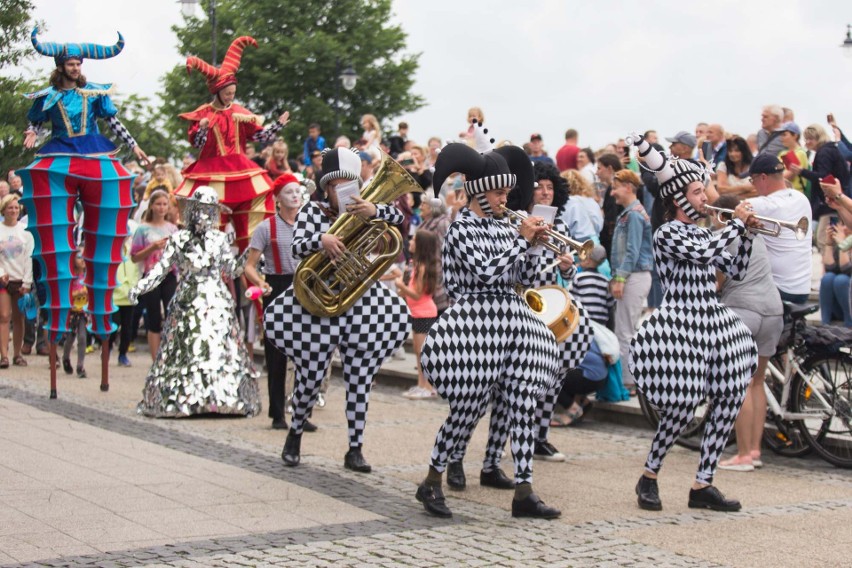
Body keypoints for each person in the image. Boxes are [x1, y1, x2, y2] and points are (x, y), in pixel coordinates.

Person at [414, 142, 561, 520]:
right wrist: (522, 241)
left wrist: (539, 251)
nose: (506, 198)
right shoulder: (461, 229)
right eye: (499, 192)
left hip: (512, 319)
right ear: (480, 191)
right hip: (474, 323)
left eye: (507, 192)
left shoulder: (505, 225)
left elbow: (522, 279)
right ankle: (432, 478)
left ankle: (525, 489)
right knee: (466, 408)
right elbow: (487, 272)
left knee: (523, 406)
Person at [626, 132, 758, 513]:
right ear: (681, 197)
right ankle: (649, 475)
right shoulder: (668, 233)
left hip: (712, 318)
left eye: (704, 191)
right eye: (699, 192)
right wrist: (736, 226)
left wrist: (745, 234)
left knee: (730, 396)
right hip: (681, 323)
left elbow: (735, 267)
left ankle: (704, 482)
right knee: (682, 408)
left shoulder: (703, 230)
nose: (705, 198)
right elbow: (706, 250)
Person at [17, 26, 147, 391]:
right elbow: (35, 122)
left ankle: (103, 326)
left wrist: (134, 147)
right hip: (59, 158)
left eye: (78, 63)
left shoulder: (94, 94)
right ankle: (54, 325)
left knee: (103, 241)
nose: (75, 67)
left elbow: (115, 123)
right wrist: (31, 132)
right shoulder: (48, 96)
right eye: (70, 63)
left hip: (93, 156)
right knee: (56, 245)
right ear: (61, 66)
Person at [267, 148, 410, 473]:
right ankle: (295, 435)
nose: (344, 189)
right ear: (327, 187)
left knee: (361, 377)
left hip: (359, 302)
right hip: (320, 303)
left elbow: (401, 220)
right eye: (337, 184)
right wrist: (322, 239)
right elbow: (296, 246)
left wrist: (375, 209)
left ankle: (355, 448)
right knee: (311, 374)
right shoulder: (311, 210)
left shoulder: (367, 209)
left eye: (350, 182)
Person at [130, 186, 261, 417]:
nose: (203, 215)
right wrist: (140, 287)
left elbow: (231, 270)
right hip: (187, 301)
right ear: (191, 210)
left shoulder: (219, 239)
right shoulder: (179, 238)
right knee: (186, 347)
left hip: (216, 302)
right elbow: (161, 269)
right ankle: (182, 398)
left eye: (209, 210)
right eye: (199, 209)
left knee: (217, 348)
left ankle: (221, 397)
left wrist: (248, 254)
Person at [176, 36, 288, 253]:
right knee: (209, 235)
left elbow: (260, 137)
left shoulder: (239, 113)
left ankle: (252, 276)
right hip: (211, 175)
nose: (230, 96)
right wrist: (203, 128)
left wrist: (277, 126)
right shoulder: (205, 114)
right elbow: (196, 143)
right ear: (216, 91)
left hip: (240, 174)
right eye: (227, 92)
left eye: (233, 92)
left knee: (251, 234)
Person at [709, 195, 784, 472]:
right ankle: (754, 450)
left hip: (743, 309)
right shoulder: (757, 235)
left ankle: (741, 454)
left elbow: (719, 282)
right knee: (758, 382)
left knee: (738, 384)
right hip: (772, 309)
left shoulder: (723, 236)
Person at [244, 173, 314, 430]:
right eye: (289, 192)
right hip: (277, 286)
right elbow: (249, 266)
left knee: (307, 355)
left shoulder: (309, 225)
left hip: (305, 287)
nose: (295, 195)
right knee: (277, 355)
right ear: (277, 199)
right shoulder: (265, 228)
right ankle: (277, 413)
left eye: (297, 191)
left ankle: (301, 412)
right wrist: (260, 282)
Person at [746, 154, 813, 304]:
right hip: (802, 289)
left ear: (763, 177)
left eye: (753, 180)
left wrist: (707, 177)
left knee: (732, 290)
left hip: (778, 290)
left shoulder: (764, 205)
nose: (753, 186)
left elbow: (720, 204)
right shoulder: (800, 198)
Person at [610, 170, 653, 396]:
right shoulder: (632, 212)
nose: (612, 192)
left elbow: (632, 251)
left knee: (624, 331)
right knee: (625, 329)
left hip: (633, 276)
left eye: (615, 187)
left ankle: (628, 382)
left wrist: (619, 278)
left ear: (628, 186)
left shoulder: (634, 215)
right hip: (634, 276)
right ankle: (627, 380)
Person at [130, 190, 179, 362]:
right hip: (151, 275)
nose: (161, 208)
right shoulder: (142, 229)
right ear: (151, 206)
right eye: (158, 204)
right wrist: (152, 247)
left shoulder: (172, 228)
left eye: (165, 204)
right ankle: (155, 360)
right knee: (153, 317)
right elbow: (134, 257)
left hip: (169, 275)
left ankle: (170, 356)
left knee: (171, 314)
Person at [790, 124, 852, 247]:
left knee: (825, 241)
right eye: (806, 139)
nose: (807, 142)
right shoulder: (829, 150)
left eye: (810, 139)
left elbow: (823, 177)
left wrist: (802, 171)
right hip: (836, 202)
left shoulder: (824, 152)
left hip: (832, 203)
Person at [396, 229, 440, 399]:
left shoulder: (422, 267)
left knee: (423, 353)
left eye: (414, 240)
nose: (410, 243)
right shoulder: (416, 265)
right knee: (417, 350)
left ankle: (427, 387)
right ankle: (421, 384)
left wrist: (400, 284)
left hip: (424, 312)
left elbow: (417, 293)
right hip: (416, 312)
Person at [0, 195, 34, 369]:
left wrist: (27, 282)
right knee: (4, 316)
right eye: (9, 208)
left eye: (15, 208)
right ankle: (4, 355)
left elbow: (29, 258)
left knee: (19, 318)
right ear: (3, 209)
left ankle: (17, 354)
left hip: (20, 279)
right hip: (3, 280)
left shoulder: (26, 231)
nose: (13, 211)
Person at [817, 220, 852, 326]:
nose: (843, 228)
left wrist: (843, 244)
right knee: (828, 277)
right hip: (839, 304)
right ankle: (825, 324)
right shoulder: (837, 242)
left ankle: (849, 325)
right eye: (840, 225)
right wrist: (829, 243)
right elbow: (829, 268)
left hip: (850, 301)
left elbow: (847, 269)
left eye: (845, 225)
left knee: (841, 280)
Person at [61, 251, 89, 378]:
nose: (82, 259)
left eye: (84, 256)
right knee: (70, 338)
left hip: (83, 312)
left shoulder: (88, 277)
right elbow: (65, 293)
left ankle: (80, 365)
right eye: (79, 257)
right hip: (71, 312)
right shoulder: (70, 277)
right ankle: (66, 358)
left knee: (82, 337)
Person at [560, 169, 604, 242]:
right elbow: (599, 225)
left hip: (576, 244)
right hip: (595, 242)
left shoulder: (568, 202)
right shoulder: (592, 201)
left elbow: (563, 224)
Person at [777, 122, 811, 196]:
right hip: (783, 193)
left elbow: (790, 175)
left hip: (795, 194)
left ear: (795, 135)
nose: (781, 138)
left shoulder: (800, 153)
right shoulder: (782, 153)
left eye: (784, 135)